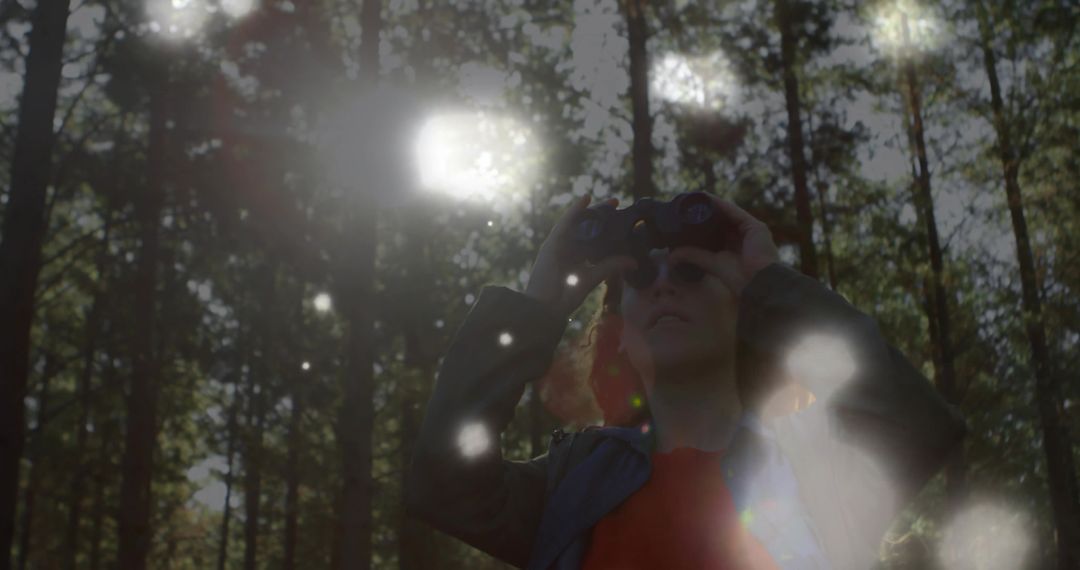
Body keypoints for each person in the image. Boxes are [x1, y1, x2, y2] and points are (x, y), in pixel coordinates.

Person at [405, 193, 967, 569]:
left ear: (746, 310)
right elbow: (442, 485)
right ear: (620, 333)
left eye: (692, 271)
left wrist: (768, 280)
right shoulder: (574, 480)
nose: (663, 286)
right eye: (640, 276)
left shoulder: (810, 465)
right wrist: (537, 308)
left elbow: (917, 424)